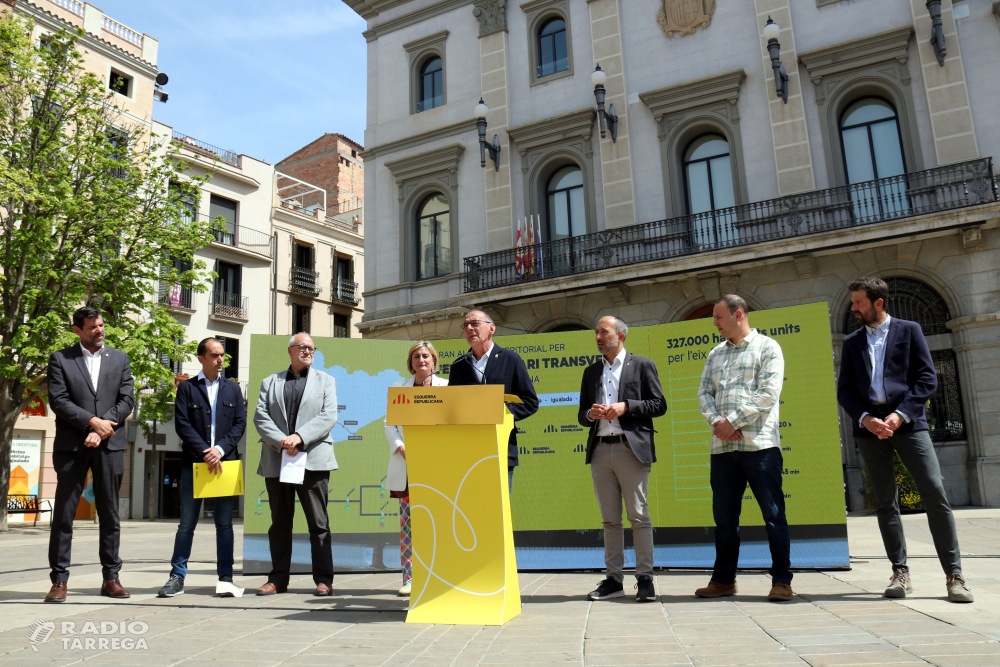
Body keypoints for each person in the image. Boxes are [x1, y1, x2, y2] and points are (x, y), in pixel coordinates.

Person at [837, 277, 973, 603]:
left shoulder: (909, 330)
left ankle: (954, 576)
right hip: (870, 431)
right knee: (886, 501)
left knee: (934, 493)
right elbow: (845, 390)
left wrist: (900, 415)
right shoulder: (852, 342)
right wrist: (867, 419)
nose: (853, 308)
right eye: (853, 303)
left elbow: (927, 378)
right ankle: (900, 572)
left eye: (858, 302)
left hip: (910, 426)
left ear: (878, 303)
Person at [696, 295, 792, 602]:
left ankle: (781, 581)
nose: (715, 323)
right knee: (724, 519)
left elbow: (768, 394)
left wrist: (733, 421)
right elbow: (703, 394)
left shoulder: (768, 347)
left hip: (760, 447)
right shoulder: (714, 354)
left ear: (739, 315)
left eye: (719, 317)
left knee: (773, 515)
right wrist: (718, 423)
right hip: (722, 450)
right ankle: (724, 580)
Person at [44, 306, 135, 602]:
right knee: (64, 515)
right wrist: (90, 422)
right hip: (72, 447)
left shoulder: (119, 358)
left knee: (109, 513)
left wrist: (102, 426)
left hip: (109, 444)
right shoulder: (61, 358)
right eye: (93, 327)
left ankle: (111, 577)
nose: (99, 330)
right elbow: (58, 400)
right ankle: (59, 581)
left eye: (101, 325)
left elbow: (127, 399)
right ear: (77, 331)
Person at [578, 316, 667, 603]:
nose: (598, 337)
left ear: (621, 335)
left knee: (639, 516)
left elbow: (659, 404)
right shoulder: (591, 372)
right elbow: (581, 414)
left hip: (631, 449)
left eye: (603, 332)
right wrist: (591, 414)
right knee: (609, 520)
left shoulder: (642, 365)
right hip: (601, 449)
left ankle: (645, 579)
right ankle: (614, 579)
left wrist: (626, 406)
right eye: (596, 333)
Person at [157, 338, 246, 598]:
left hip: (225, 464)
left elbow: (239, 424)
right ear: (201, 359)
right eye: (215, 355)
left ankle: (226, 578)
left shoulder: (233, 389)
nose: (221, 360)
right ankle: (177, 577)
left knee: (224, 525)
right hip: (194, 464)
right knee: (186, 524)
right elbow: (182, 425)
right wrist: (205, 452)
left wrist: (219, 450)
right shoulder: (186, 389)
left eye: (222, 356)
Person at [253, 333, 339, 596]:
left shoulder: (326, 380)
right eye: (303, 347)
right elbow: (260, 416)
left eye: (312, 348)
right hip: (278, 459)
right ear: (290, 350)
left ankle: (324, 580)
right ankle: (278, 578)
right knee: (279, 523)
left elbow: (329, 416)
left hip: (312, 459)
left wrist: (300, 437)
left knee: (318, 523)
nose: (308, 351)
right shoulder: (271, 382)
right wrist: (283, 441)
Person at [447, 310, 539, 491]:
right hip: (468, 453)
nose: (469, 328)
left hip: (501, 450)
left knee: (499, 515)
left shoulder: (511, 359)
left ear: (491, 329)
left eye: (475, 323)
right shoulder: (458, 366)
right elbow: (452, 408)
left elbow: (530, 402)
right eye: (466, 325)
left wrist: (499, 411)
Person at [384, 341, 448, 597]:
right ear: (410, 362)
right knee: (408, 525)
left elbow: (451, 420)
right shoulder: (399, 388)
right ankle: (409, 579)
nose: (421, 360)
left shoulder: (447, 387)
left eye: (426, 356)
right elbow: (390, 422)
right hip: (408, 465)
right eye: (416, 356)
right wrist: (401, 448)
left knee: (440, 522)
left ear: (434, 360)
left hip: (438, 466)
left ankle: (440, 573)